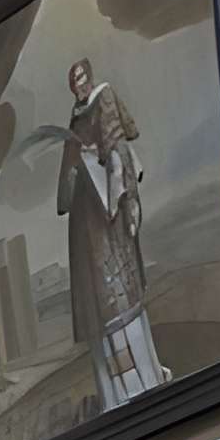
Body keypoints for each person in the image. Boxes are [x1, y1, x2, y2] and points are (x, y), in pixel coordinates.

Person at [55, 57, 169, 408]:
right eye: (74, 80)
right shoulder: (71, 130)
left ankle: (143, 384)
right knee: (102, 315)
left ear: (89, 78)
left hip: (109, 218)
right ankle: (117, 397)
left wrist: (122, 192)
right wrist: (75, 168)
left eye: (82, 77)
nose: (81, 84)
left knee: (122, 307)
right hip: (84, 227)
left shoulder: (104, 100)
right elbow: (63, 198)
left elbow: (118, 155)